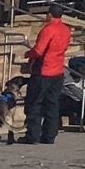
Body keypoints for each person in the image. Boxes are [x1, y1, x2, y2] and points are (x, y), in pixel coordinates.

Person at [23, 8, 74, 144]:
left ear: (49, 15)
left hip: (44, 70)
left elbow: (39, 51)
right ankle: (49, 135)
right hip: (58, 71)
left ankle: (32, 135)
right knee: (52, 104)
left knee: (35, 103)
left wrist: (29, 54)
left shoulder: (48, 29)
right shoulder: (66, 30)